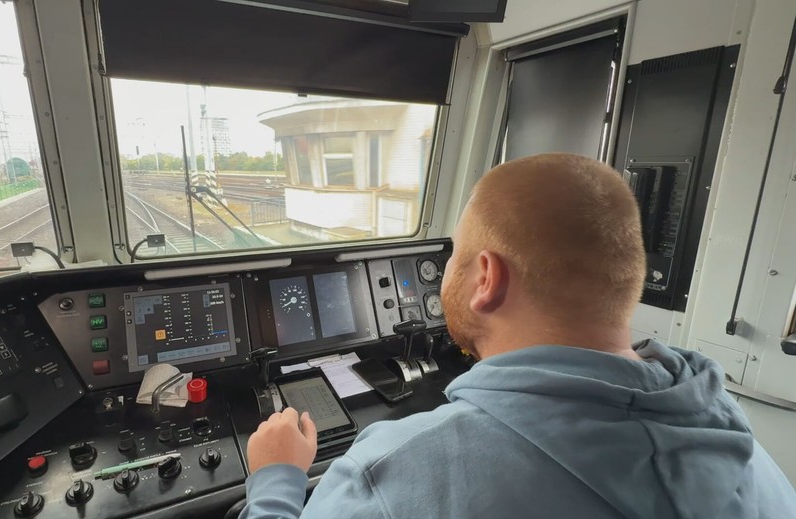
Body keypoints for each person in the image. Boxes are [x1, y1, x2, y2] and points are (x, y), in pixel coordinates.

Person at [240, 153, 796, 519]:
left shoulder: (391, 477)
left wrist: (277, 479)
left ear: (486, 277)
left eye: (454, 255)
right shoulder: (751, 457)